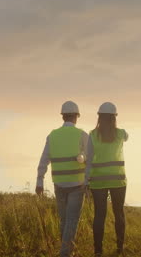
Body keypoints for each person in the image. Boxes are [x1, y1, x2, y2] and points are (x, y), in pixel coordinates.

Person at [36, 100, 89, 257]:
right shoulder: (82, 135)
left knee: (64, 221)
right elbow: (91, 158)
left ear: (63, 117)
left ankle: (67, 251)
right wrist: (83, 158)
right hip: (77, 185)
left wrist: (39, 181)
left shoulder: (52, 136)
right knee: (71, 221)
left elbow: (43, 160)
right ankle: (65, 254)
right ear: (76, 117)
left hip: (59, 185)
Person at [85, 102, 128, 256]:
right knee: (119, 214)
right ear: (114, 118)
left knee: (99, 215)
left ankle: (98, 251)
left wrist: (86, 182)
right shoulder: (121, 133)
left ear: (99, 117)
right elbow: (127, 137)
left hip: (98, 181)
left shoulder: (92, 135)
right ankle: (119, 249)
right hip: (118, 180)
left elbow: (88, 160)